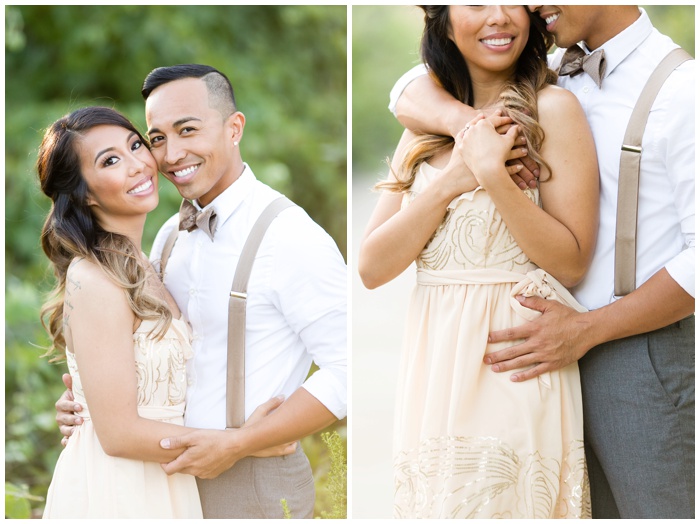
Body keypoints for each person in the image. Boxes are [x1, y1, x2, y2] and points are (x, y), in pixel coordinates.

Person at [390, 5, 694, 519]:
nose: (529, 5)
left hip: (638, 359)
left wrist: (589, 329)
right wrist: (473, 129)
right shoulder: (546, 69)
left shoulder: (683, 89)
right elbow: (408, 87)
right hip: (535, 361)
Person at [55, 65, 347, 519]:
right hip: (162, 478)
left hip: (252, 477)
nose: (171, 154)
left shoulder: (291, 236)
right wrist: (89, 408)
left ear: (235, 128)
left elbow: (349, 367)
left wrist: (241, 443)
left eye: (187, 130)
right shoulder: (169, 235)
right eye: (156, 138)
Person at [359, 6, 598, 519]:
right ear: (442, 21)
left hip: (512, 369)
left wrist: (493, 175)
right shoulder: (421, 128)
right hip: (433, 375)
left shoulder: (554, 110)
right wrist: (453, 179)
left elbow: (571, 262)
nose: (499, 16)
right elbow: (372, 267)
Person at [38, 106, 203, 518]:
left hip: (165, 476)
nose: (137, 165)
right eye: (110, 161)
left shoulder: (148, 261)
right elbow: (117, 435)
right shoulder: (93, 278)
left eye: (135, 146)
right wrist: (241, 443)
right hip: (121, 488)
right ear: (86, 194)